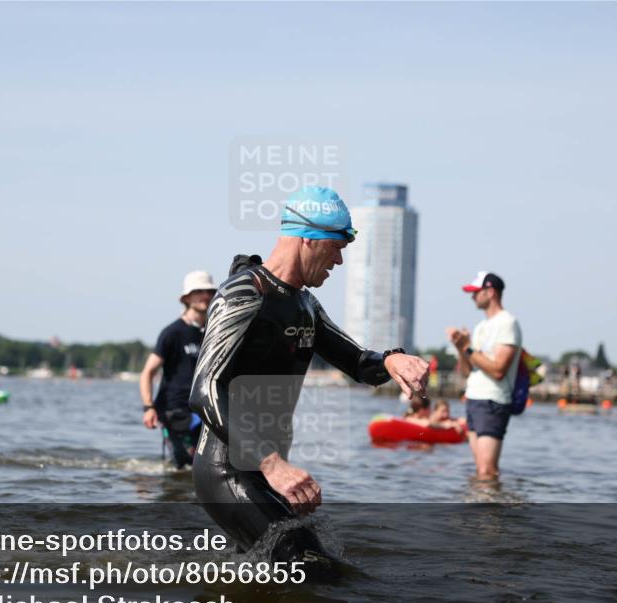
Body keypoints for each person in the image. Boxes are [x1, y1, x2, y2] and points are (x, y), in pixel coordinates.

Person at [189, 185, 430, 561]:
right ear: (308, 238)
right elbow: (204, 389)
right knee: (311, 567)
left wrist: (389, 361)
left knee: (279, 575)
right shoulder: (243, 294)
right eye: (336, 247)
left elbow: (357, 363)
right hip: (229, 470)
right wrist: (273, 464)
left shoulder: (305, 305)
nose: (339, 260)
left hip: (267, 470)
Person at [446, 271, 521, 481]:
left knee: (487, 471)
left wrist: (468, 348)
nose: (472, 297)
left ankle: (491, 503)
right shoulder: (481, 327)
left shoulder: (507, 323)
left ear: (490, 292)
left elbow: (498, 370)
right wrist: (461, 348)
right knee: (481, 470)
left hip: (492, 400)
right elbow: (467, 371)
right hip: (474, 399)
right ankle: (482, 501)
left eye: (476, 292)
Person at [140, 270, 217, 468]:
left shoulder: (214, 332)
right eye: (199, 291)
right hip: (175, 411)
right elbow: (148, 372)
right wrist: (148, 407)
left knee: (208, 467)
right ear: (186, 298)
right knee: (183, 466)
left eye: (210, 291)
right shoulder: (172, 333)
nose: (206, 296)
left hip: (206, 410)